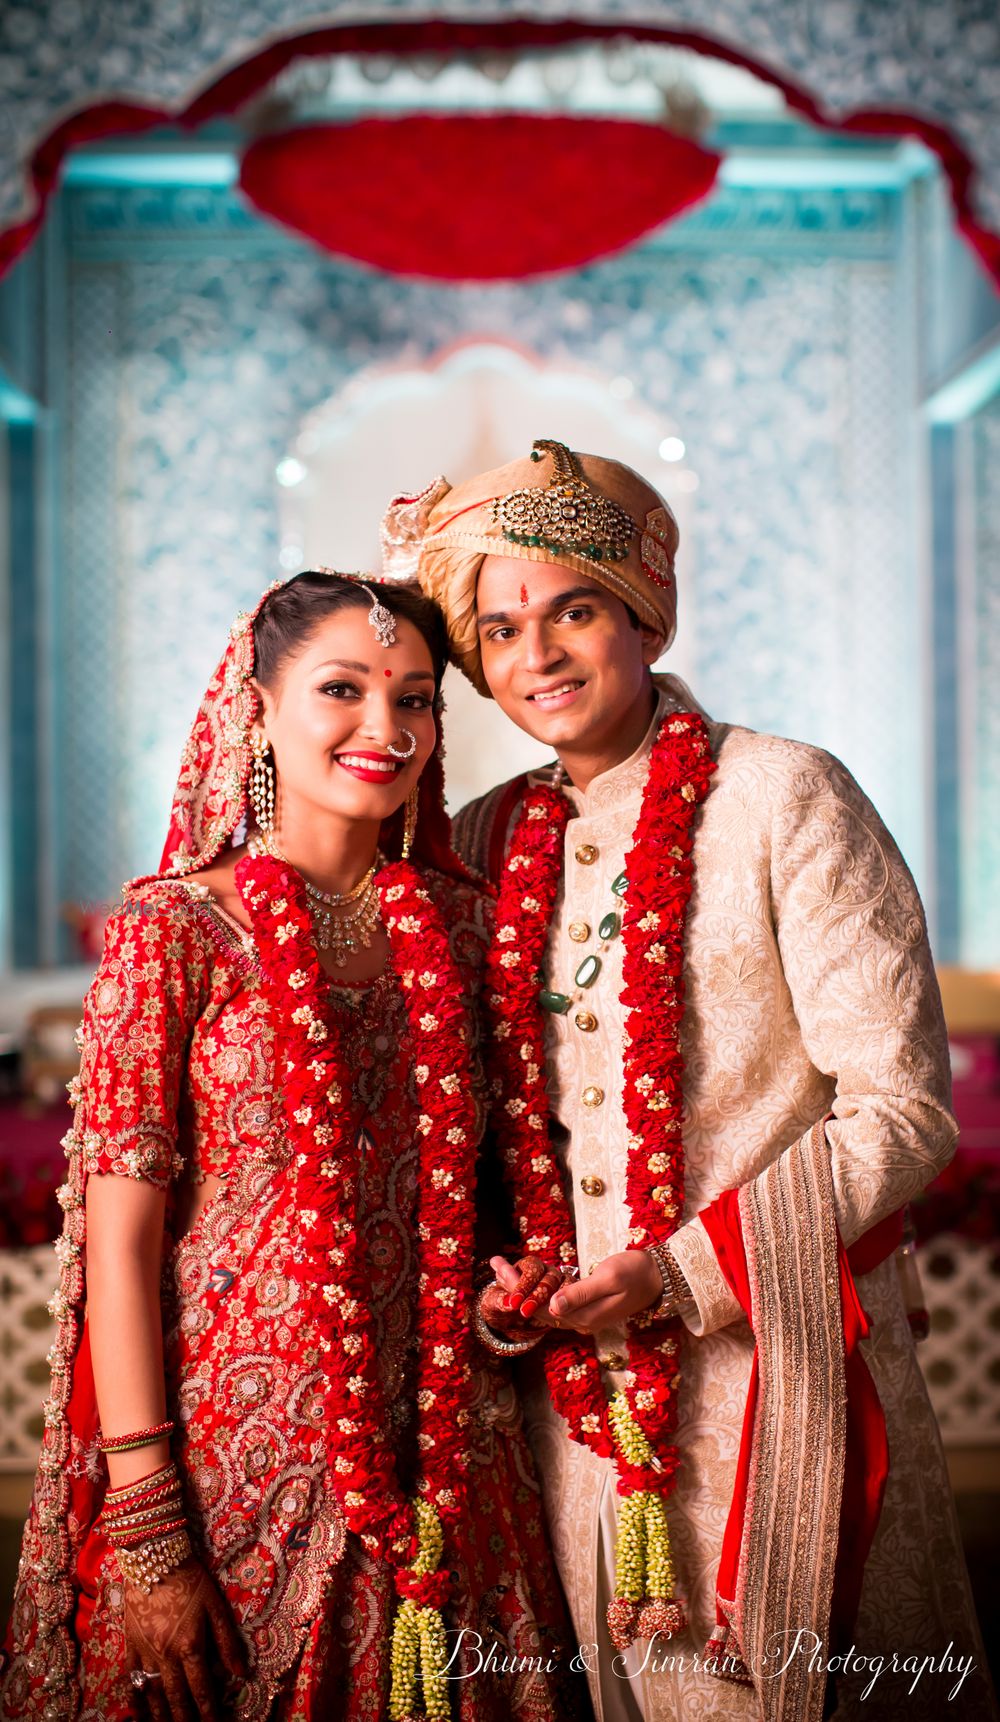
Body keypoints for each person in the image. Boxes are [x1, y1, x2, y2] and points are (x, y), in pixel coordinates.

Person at [378, 441, 998, 1722]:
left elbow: (900, 1106)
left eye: (574, 610)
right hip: (573, 1409)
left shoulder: (788, 798)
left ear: (640, 613)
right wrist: (506, 1271)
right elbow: (478, 1120)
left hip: (775, 1373)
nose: (537, 654)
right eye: (497, 630)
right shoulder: (485, 838)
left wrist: (678, 1273)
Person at [0, 571, 586, 1722]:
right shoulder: (177, 931)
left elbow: (484, 1193)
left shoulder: (463, 926)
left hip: (449, 1445)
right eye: (343, 690)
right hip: (234, 1453)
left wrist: (507, 1294)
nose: (387, 729)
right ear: (255, 707)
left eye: (415, 699)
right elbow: (117, 1247)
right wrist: (147, 1514)